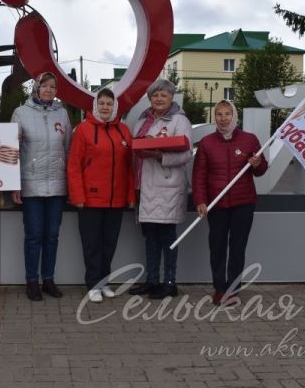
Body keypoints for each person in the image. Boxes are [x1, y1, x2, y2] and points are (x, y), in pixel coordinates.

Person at [192, 99, 268, 306]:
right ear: (214, 117)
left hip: (243, 203)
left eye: (227, 114)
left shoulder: (249, 140)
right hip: (216, 205)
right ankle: (219, 288)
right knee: (217, 247)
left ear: (234, 116)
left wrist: (257, 163)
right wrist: (200, 201)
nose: (223, 118)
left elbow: (261, 171)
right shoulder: (207, 143)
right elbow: (199, 175)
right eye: (219, 114)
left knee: (237, 247)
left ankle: (232, 289)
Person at [67, 89, 136, 302]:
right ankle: (93, 284)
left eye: (109, 103)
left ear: (115, 107)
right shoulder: (84, 130)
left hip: (116, 200)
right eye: (102, 103)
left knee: (109, 244)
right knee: (92, 245)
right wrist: (77, 195)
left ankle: (105, 281)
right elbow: (74, 165)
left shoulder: (124, 131)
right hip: (90, 199)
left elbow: (129, 167)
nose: (105, 107)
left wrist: (130, 195)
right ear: (95, 106)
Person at [128, 79, 194, 299]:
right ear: (150, 98)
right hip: (145, 186)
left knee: (167, 236)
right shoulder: (142, 120)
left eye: (163, 95)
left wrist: (158, 154)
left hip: (167, 187)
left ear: (171, 97)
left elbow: (186, 154)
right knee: (150, 236)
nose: (158, 99)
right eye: (155, 95)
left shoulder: (179, 120)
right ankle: (152, 280)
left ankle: (169, 282)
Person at [11, 72, 72, 301]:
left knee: (52, 236)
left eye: (52, 87)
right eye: (44, 86)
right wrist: (14, 184)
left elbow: (68, 149)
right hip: (31, 184)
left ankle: (48, 279)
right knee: (34, 236)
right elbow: (12, 152)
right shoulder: (21, 113)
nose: (48, 90)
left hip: (57, 186)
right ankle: (31, 281)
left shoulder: (62, 114)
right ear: (36, 88)